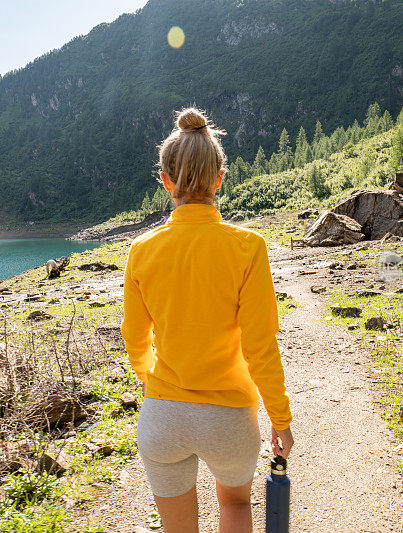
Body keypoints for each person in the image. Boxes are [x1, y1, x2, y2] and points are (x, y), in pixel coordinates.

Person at [120, 107, 293, 533]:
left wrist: (148, 376)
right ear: (220, 177)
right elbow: (260, 345)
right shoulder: (247, 247)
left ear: (165, 180)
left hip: (162, 416)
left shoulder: (142, 250)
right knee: (235, 507)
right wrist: (281, 419)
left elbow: (134, 336)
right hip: (229, 418)